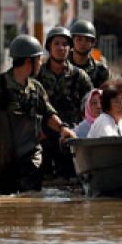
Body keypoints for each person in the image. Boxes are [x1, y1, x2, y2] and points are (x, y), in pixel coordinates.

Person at [0, 35, 76, 195]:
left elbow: (49, 114)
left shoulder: (36, 87)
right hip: (1, 156)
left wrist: (63, 128)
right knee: (1, 205)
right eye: (39, 59)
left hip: (29, 156)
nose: (41, 63)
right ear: (29, 61)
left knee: (30, 201)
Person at [36, 25, 93, 179]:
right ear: (49, 46)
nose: (61, 48)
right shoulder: (38, 74)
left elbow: (92, 105)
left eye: (65, 44)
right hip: (43, 136)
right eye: (57, 44)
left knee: (71, 180)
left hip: (70, 136)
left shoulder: (79, 75)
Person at [68, 19, 109, 88]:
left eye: (87, 40)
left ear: (93, 43)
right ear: (72, 41)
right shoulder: (62, 66)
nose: (83, 43)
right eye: (79, 39)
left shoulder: (101, 70)